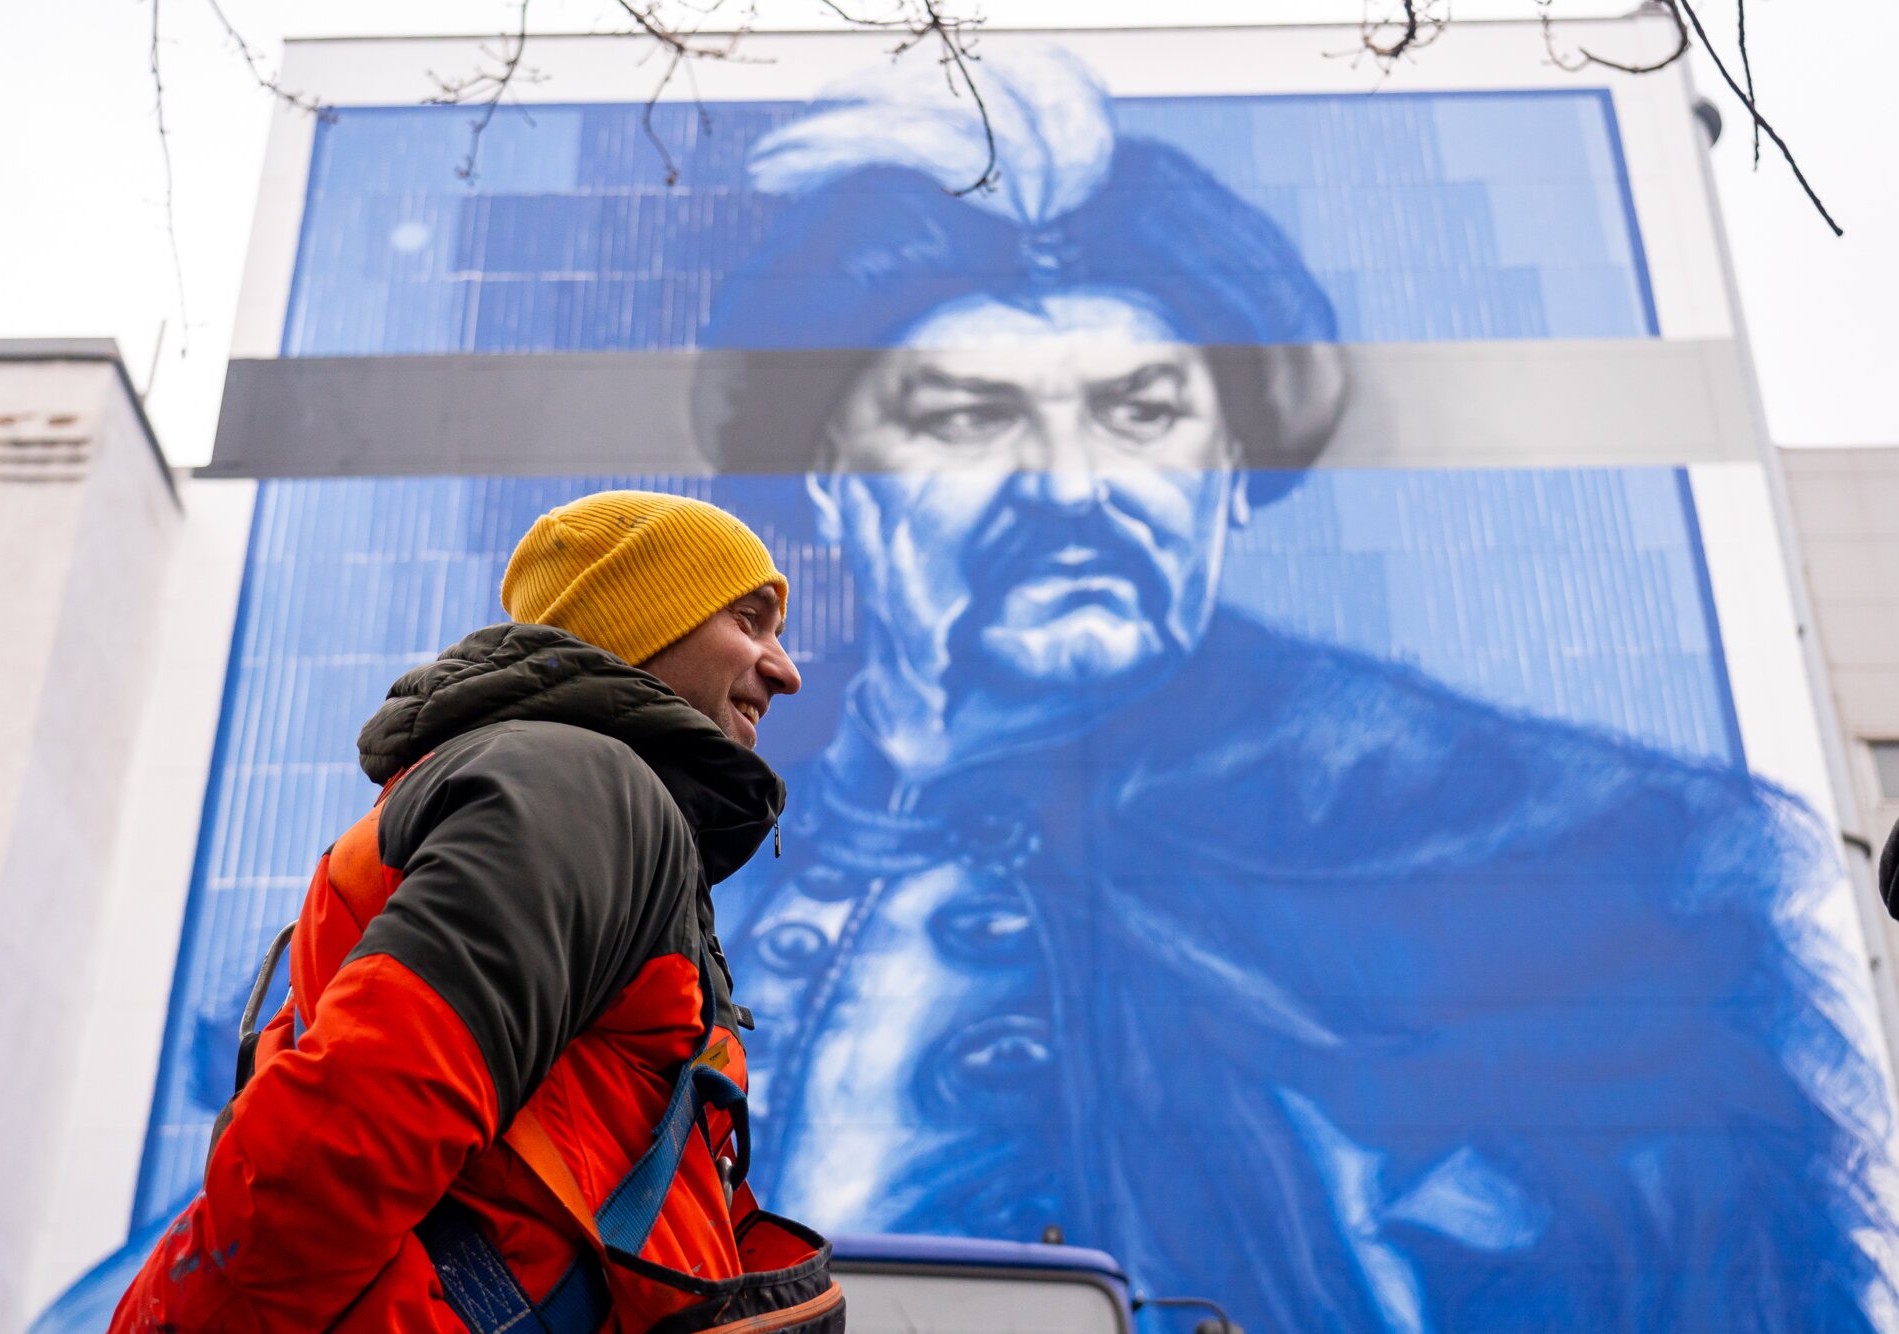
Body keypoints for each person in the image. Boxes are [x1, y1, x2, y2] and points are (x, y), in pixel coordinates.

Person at [691, 47, 1893, 1332]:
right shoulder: (686, 843)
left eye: (1140, 411)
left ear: (1229, 469)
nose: (1071, 486)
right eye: (969, 419)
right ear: (834, 480)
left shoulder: (1615, 862)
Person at [112, 491, 824, 1332]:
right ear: (642, 621)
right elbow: (353, 1125)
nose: (785, 670)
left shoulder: (577, 797)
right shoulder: (578, 789)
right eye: (749, 621)